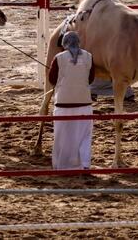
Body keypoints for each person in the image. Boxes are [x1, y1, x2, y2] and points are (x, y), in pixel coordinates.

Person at [48, 30, 94, 170]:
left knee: (62, 136)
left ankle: (62, 165)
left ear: (64, 44)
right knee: (84, 136)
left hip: (63, 104)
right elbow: (90, 79)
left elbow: (52, 79)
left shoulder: (59, 58)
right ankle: (84, 164)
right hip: (84, 103)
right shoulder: (88, 56)